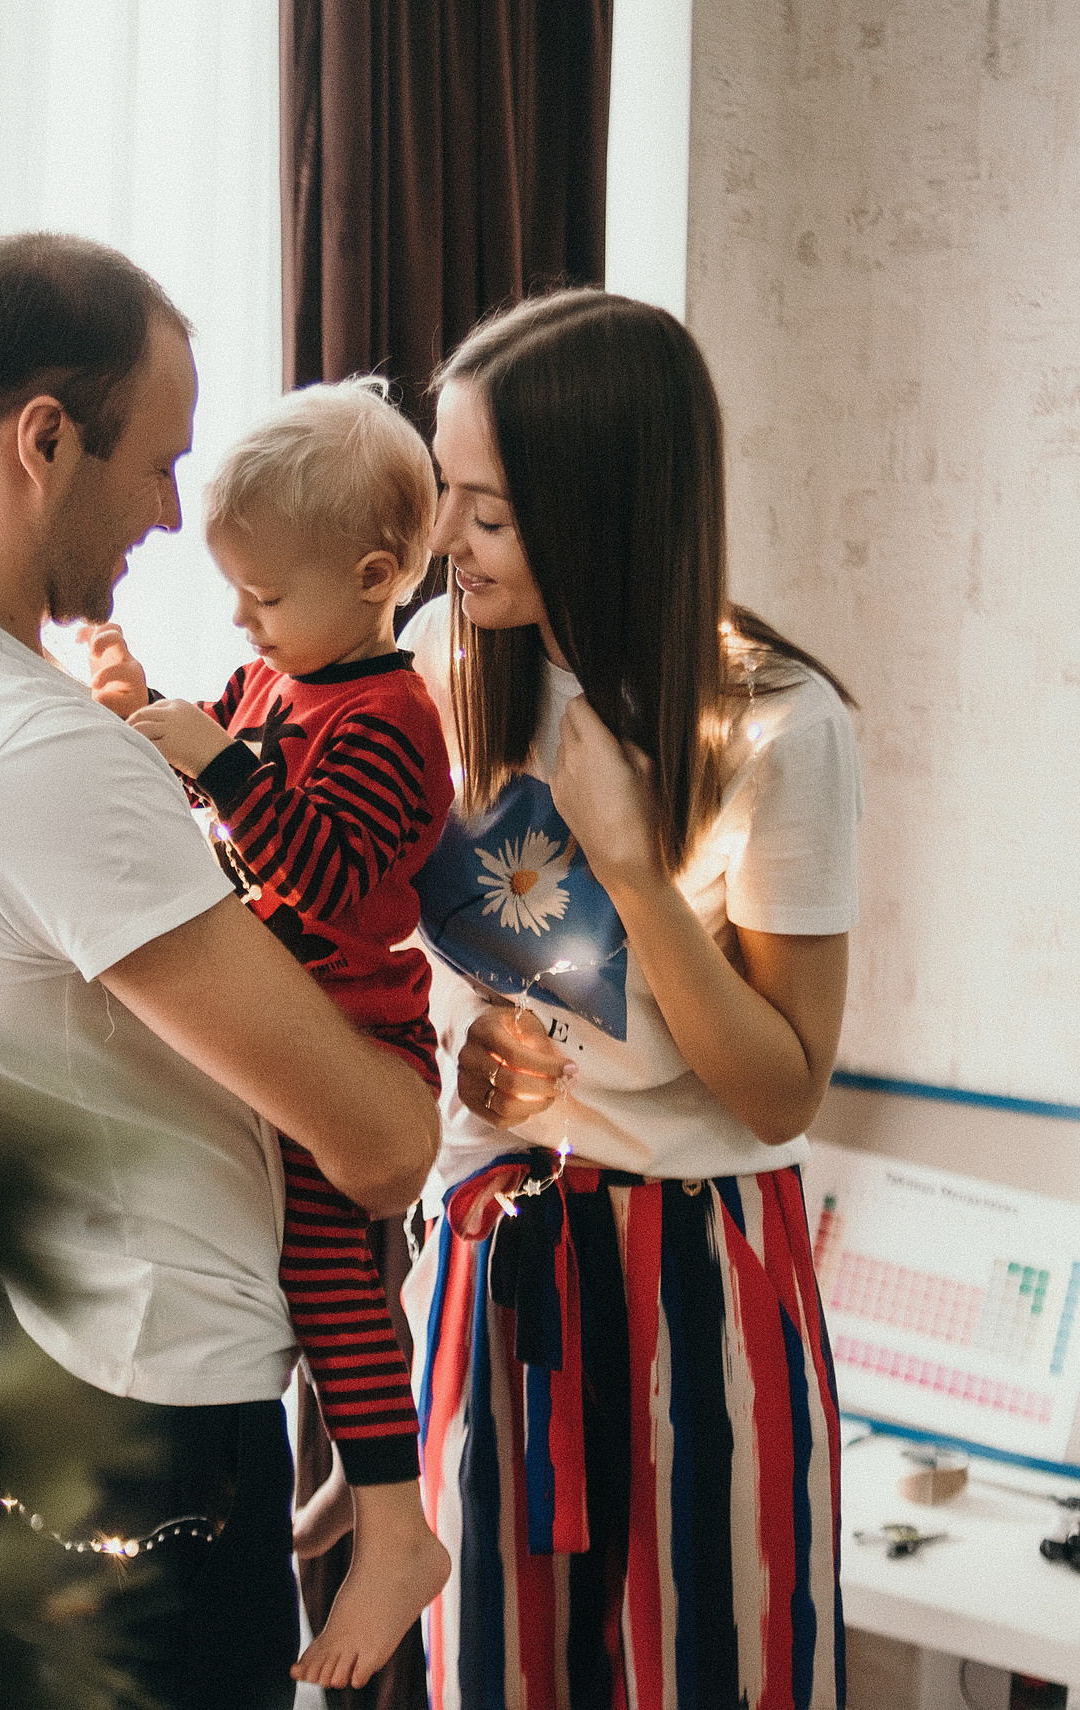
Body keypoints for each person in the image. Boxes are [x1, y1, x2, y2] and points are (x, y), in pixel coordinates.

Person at [0, 233, 438, 1710]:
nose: (170, 512)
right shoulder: (40, 753)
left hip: (19, 1338)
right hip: (153, 1401)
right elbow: (384, 1142)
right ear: (42, 438)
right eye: (157, 464)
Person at [400, 290, 860, 1709]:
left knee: (721, 1672)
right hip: (501, 1250)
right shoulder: (440, 668)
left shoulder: (781, 726)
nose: (445, 544)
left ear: (599, 504)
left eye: (487, 513)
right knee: (493, 1674)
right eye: (444, 496)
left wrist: (636, 873)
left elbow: (782, 1087)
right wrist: (471, 1057)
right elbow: (435, 990)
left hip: (702, 1265)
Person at [86, 376, 455, 1691]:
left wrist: (222, 762)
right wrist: (160, 711)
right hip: (289, 1020)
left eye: (264, 595)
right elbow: (225, 760)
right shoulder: (273, 676)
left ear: (370, 580)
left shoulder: (395, 723)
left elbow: (337, 876)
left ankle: (392, 1527)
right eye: (233, 595)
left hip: (360, 1041)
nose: (242, 621)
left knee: (329, 1271)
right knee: (286, 1268)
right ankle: (347, 1499)